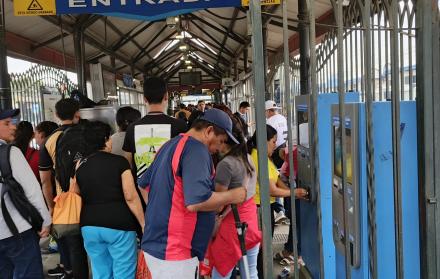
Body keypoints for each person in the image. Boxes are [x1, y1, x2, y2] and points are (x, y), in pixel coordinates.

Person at [137, 108, 247, 279]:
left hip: (157, 247)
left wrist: (160, 216)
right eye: (220, 141)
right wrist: (234, 195)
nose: (219, 148)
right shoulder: (197, 150)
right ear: (209, 131)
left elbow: (144, 185)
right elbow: (196, 202)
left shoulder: (169, 145)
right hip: (177, 254)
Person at [75, 121, 145, 279]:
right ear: (106, 139)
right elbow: (130, 196)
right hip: (118, 224)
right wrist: (143, 223)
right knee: (124, 272)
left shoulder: (80, 164)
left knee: (101, 272)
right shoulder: (120, 162)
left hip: (89, 225)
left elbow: (76, 193)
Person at [247, 125, 308, 278]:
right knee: (262, 249)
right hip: (260, 207)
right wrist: (295, 192)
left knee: (264, 246)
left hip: (266, 205)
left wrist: (291, 191)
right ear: (264, 141)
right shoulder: (258, 158)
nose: (275, 145)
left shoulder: (260, 155)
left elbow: (276, 178)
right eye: (273, 141)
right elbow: (271, 189)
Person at [39, 98, 89, 279]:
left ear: (57, 115)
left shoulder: (49, 140)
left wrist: (51, 207)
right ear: (78, 113)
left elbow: (45, 181)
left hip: (66, 200)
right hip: (94, 196)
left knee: (75, 246)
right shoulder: (88, 132)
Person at [0, 108, 52, 279]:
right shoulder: (10, 153)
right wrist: (45, 221)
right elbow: (32, 191)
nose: (13, 127)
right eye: (7, 123)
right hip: (17, 231)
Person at [210, 117, 261, 279]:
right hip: (250, 223)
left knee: (221, 273)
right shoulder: (248, 159)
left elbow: (218, 203)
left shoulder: (226, 165)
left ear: (224, 139)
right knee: (251, 272)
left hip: (232, 226)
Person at [122, 77, 187, 178]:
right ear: (166, 96)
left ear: (144, 99)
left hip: (141, 189)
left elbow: (127, 164)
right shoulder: (180, 126)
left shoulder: (132, 128)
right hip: (172, 189)